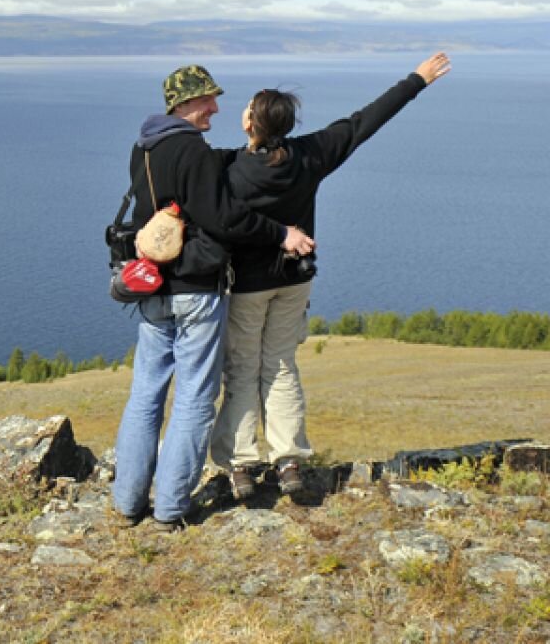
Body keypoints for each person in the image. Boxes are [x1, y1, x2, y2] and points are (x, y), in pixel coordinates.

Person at [210, 52, 452, 500]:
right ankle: (288, 461)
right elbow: (365, 122)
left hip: (247, 285)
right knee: (281, 364)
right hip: (294, 281)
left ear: (251, 124)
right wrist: (416, 80)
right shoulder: (310, 155)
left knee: (242, 370)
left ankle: (240, 466)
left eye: (246, 108)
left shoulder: (231, 171)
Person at [111, 65, 315, 531]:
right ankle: (169, 509)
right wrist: (280, 232)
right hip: (196, 292)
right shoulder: (193, 151)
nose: (216, 109)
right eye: (208, 101)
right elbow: (224, 218)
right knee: (195, 399)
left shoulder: (144, 147)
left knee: (145, 394)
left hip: (152, 288)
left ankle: (127, 502)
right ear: (185, 104)